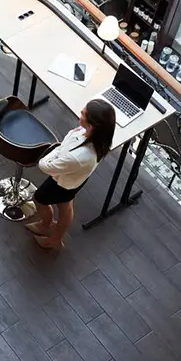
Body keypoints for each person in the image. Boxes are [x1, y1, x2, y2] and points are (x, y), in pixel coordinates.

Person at [25, 99, 116, 251]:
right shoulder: (100, 139)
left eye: (83, 113)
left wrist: (52, 153)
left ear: (92, 125)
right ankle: (55, 237)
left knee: (39, 199)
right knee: (66, 204)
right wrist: (61, 149)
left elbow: (45, 166)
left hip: (62, 183)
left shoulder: (79, 156)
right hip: (74, 179)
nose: (80, 112)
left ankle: (46, 226)